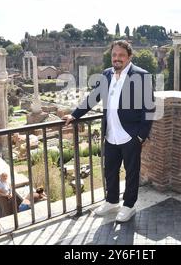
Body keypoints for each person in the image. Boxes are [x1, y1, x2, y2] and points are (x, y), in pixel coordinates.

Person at [62, 40, 155, 223]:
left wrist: (140, 136)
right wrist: (74, 115)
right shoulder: (106, 74)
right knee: (110, 171)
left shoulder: (141, 76)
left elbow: (149, 108)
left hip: (130, 135)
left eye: (121, 55)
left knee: (132, 172)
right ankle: (112, 201)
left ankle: (129, 206)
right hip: (111, 134)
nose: (117, 58)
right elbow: (93, 97)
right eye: (114, 55)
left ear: (129, 57)